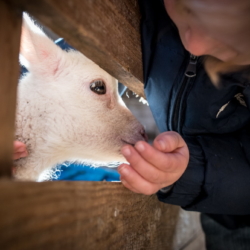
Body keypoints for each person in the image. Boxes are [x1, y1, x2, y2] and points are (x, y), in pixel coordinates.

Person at [117, 0, 250, 249]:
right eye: (185, 9)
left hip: (238, 216)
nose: (195, 45)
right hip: (216, 202)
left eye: (231, 45)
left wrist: (192, 171)